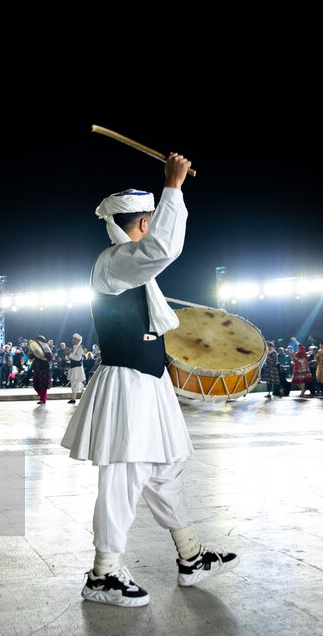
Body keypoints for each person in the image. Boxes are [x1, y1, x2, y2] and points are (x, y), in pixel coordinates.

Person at [61, 153, 238, 608]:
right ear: (140, 223)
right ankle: (103, 574)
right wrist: (173, 185)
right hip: (127, 387)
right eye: (151, 220)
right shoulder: (114, 262)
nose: (155, 227)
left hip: (148, 383)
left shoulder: (130, 267)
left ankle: (191, 555)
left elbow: (155, 256)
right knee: (123, 477)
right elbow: (160, 250)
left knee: (165, 470)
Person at [30, 335, 52, 404]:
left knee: (43, 384)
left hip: (44, 368)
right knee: (35, 384)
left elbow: (50, 358)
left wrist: (45, 358)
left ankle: (42, 399)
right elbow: (31, 357)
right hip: (37, 368)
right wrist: (30, 353)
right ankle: (43, 397)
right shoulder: (36, 349)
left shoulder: (46, 348)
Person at [66, 333, 86, 404]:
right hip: (73, 368)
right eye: (73, 338)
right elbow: (69, 358)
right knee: (77, 382)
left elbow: (77, 358)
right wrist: (67, 354)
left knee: (75, 382)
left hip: (77, 368)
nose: (73, 340)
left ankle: (73, 399)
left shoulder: (80, 348)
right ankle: (85, 395)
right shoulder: (73, 347)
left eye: (75, 339)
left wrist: (69, 354)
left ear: (79, 340)